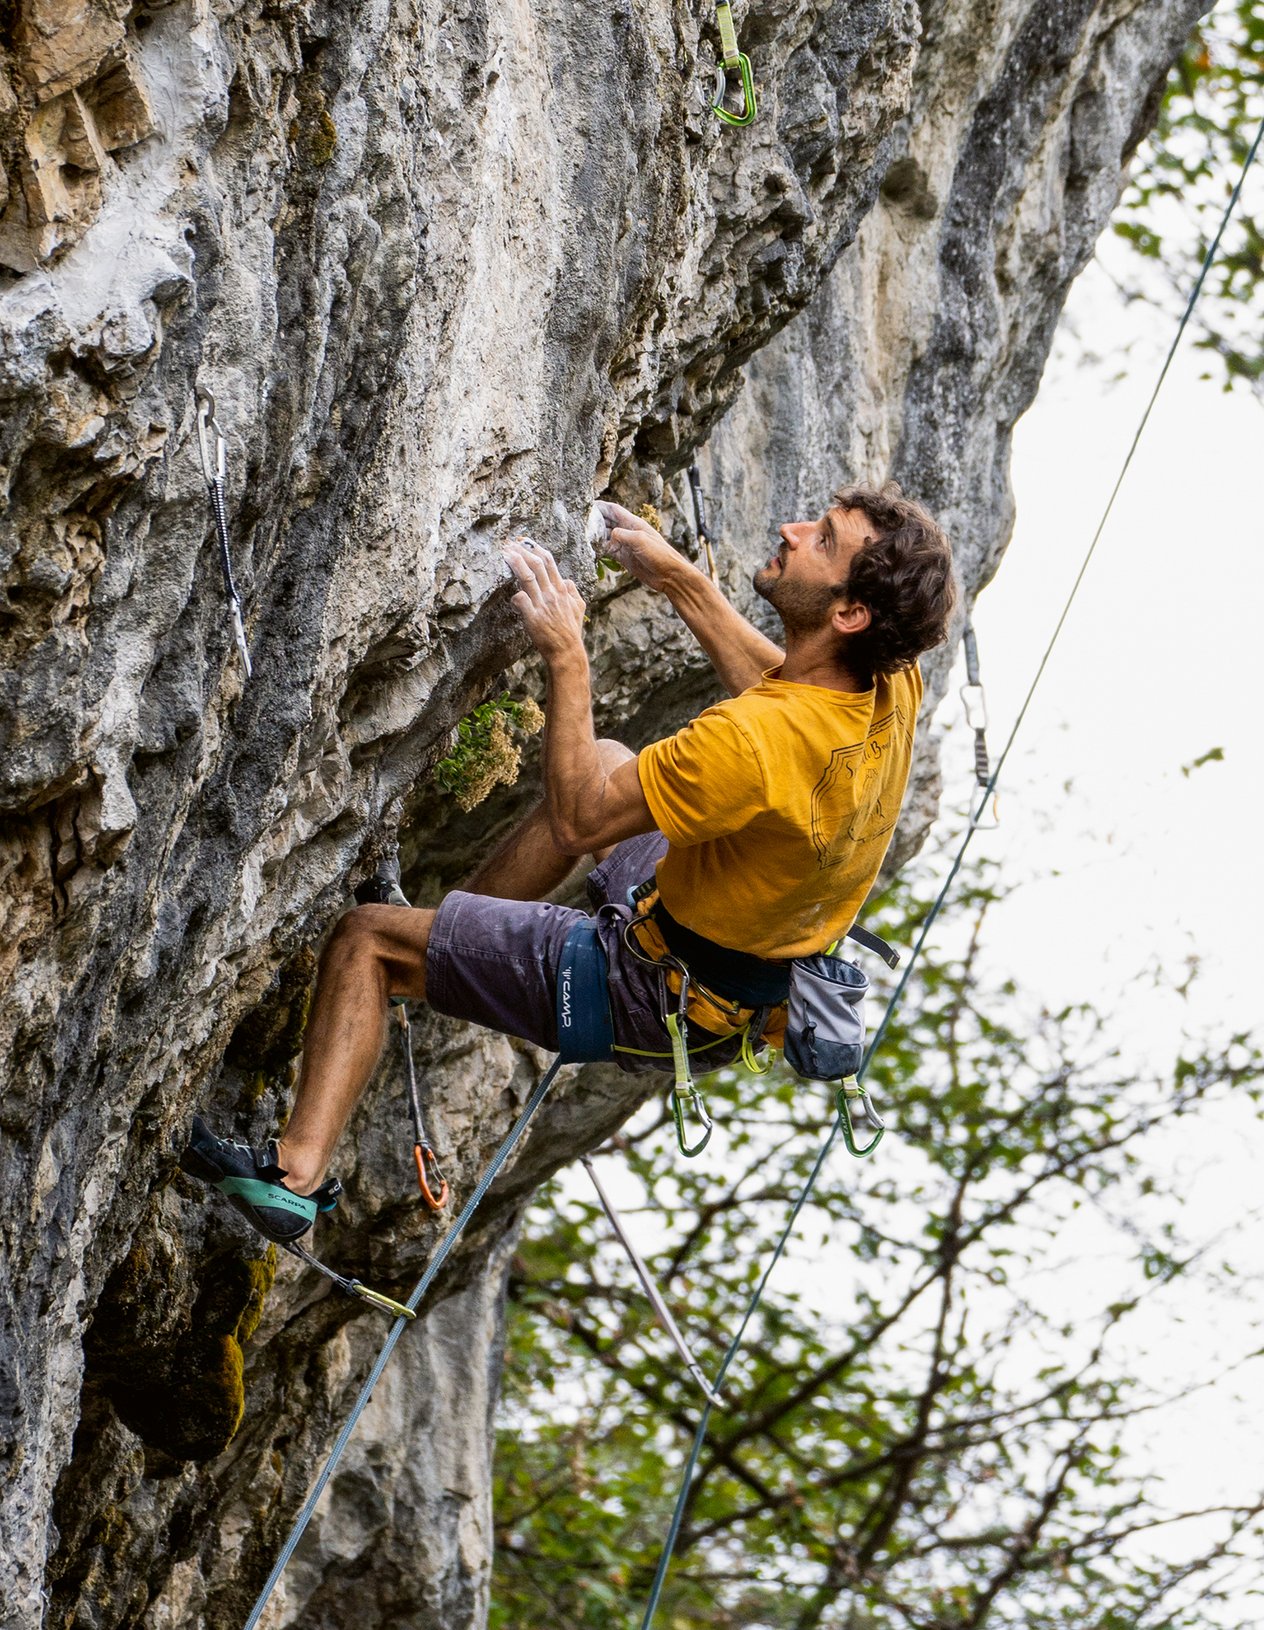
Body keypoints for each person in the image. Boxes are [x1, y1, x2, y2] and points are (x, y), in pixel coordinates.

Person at [180, 482, 955, 1246]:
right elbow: (780, 694)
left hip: (651, 991)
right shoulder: (891, 683)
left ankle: (295, 1179)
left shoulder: (751, 745)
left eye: (822, 539)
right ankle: (452, 932)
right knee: (618, 759)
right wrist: (681, 579)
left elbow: (582, 818)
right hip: (741, 975)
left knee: (365, 939)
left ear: (850, 613)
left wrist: (566, 653)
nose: (791, 529)